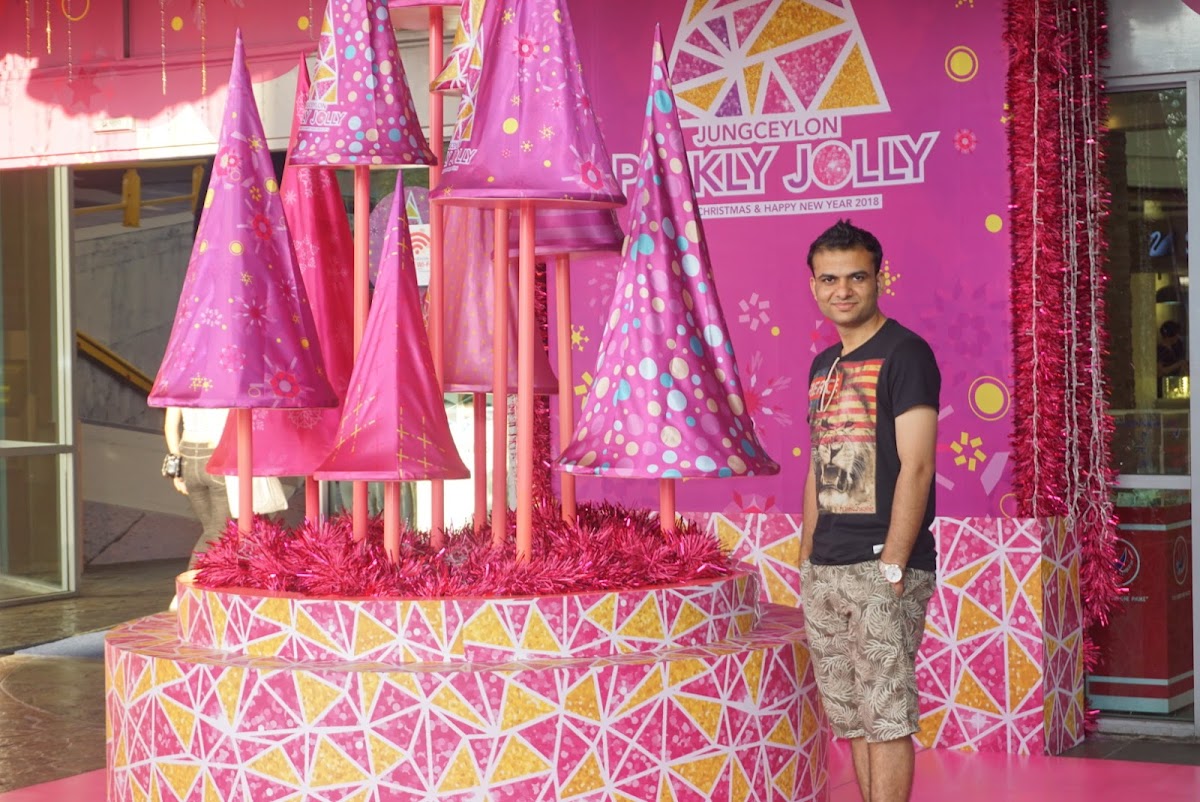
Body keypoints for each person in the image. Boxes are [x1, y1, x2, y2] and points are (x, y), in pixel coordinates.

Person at [799, 219, 940, 802]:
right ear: (814, 285)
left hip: (882, 564)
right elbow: (819, 465)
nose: (843, 290)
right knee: (854, 719)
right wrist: (806, 559)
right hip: (826, 569)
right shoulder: (823, 365)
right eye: (830, 279)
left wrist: (894, 564)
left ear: (878, 279)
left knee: (886, 718)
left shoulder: (906, 354)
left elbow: (918, 466)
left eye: (856, 277)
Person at [163, 406, 231, 568]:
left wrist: (176, 472)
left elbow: (170, 428)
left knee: (211, 528)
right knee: (218, 530)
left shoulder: (178, 389)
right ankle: (191, 577)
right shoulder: (225, 389)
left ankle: (212, 575)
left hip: (187, 459)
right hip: (216, 453)